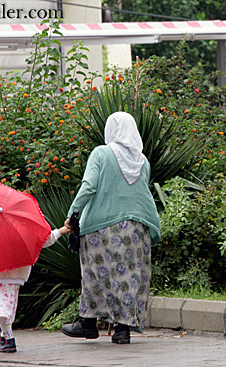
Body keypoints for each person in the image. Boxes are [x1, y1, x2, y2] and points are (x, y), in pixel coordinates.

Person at [61, 111, 161, 345]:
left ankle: (88, 323)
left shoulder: (101, 153)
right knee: (128, 277)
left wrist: (72, 213)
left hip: (101, 228)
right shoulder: (142, 160)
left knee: (94, 274)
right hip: (137, 228)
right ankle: (122, 330)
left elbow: (89, 186)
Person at [0, 225, 72, 353]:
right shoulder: (22, 227)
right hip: (16, 273)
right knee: (8, 307)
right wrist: (62, 230)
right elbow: (42, 241)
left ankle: (9, 339)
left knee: (1, 308)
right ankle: (4, 335)